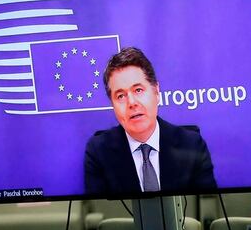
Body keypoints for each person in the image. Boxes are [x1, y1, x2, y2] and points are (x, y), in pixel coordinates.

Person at [84, 47, 216, 195]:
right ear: (112, 104)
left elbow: (206, 211)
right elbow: (100, 214)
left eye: (138, 90)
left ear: (156, 92)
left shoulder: (192, 145)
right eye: (120, 96)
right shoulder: (99, 152)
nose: (132, 102)